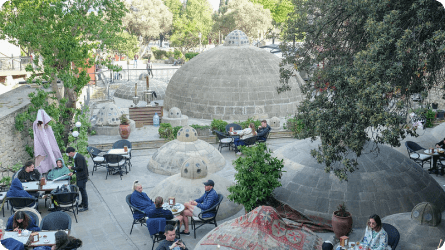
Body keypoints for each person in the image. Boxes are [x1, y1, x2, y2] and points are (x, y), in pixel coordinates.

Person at [33, 109, 63, 174]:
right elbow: (41, 136)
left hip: (47, 145)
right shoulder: (37, 125)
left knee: (53, 154)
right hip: (41, 146)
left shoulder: (46, 127)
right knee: (42, 161)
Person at [66, 147, 89, 212]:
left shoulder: (78, 157)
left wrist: (71, 167)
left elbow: (80, 167)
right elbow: (78, 167)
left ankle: (85, 206)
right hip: (81, 176)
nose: (68, 155)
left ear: (71, 153)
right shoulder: (77, 156)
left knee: (83, 191)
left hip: (82, 177)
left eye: (68, 154)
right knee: (82, 191)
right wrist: (72, 173)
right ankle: (82, 203)